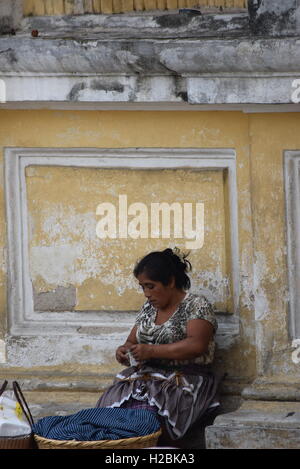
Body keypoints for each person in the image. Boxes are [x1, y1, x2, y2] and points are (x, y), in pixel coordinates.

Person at [96, 248, 220, 444]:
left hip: (184, 380)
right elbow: (132, 341)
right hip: (146, 378)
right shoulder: (148, 309)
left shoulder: (196, 305)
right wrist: (124, 350)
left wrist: (151, 351)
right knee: (110, 417)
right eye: (142, 287)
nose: (146, 294)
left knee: (146, 418)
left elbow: (197, 345)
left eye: (150, 286)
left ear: (170, 281)